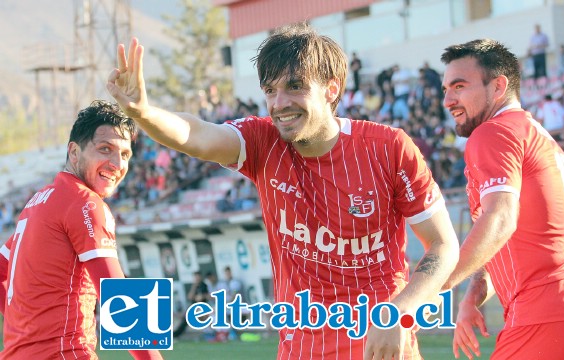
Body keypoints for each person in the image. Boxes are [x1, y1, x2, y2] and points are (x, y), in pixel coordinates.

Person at [107, 23, 460, 360]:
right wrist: (144, 112)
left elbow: (443, 245)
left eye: (295, 86)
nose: (279, 103)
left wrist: (399, 311)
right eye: (270, 91)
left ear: (332, 89)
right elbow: (198, 135)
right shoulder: (262, 141)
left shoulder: (389, 148)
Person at [440, 39, 564, 360]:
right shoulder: (530, 132)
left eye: (459, 86)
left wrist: (433, 286)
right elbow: (508, 239)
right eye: (446, 88)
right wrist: (471, 297)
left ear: (498, 86)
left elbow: (501, 220)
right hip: (561, 311)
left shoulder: (493, 132)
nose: (448, 100)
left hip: (542, 317)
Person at [0, 100, 163, 359]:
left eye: (125, 154)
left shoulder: (38, 201)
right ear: (74, 152)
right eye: (105, 149)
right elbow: (117, 296)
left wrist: (27, 328)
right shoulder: (85, 202)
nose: (117, 164)